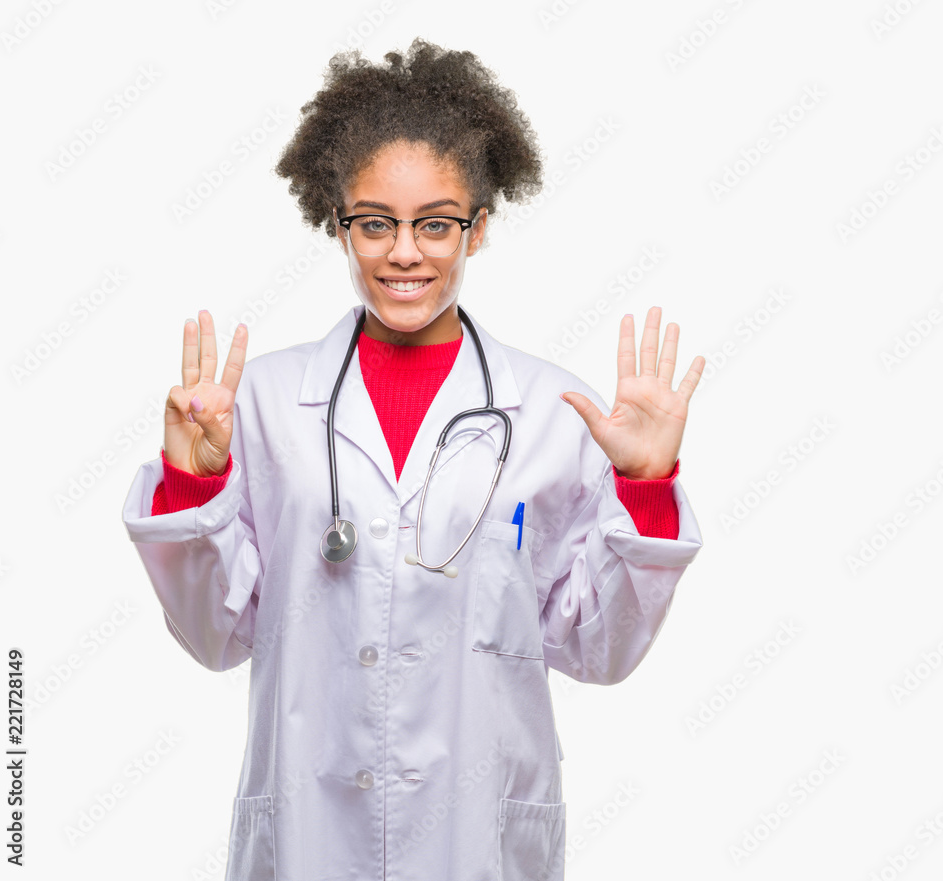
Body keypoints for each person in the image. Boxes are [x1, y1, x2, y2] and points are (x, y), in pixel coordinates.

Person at [122, 38, 704, 881]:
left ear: (479, 227)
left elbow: (597, 651)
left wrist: (645, 487)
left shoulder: (555, 413)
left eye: (436, 223)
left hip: (479, 839)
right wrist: (192, 483)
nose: (405, 252)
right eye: (375, 222)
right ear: (337, 223)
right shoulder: (261, 403)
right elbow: (217, 637)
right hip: (309, 834)